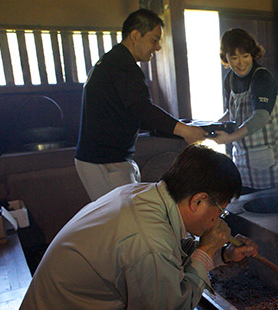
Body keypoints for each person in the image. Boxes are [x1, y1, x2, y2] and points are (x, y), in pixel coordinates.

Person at [16, 144, 259, 310]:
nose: (218, 220)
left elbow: (170, 254)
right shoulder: (147, 238)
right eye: (221, 210)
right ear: (198, 201)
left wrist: (223, 253)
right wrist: (207, 248)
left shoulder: (144, 196)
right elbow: (176, 308)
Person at [75, 8, 206, 201]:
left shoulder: (113, 61)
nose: (158, 47)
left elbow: (136, 115)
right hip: (103, 161)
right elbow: (142, 108)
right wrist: (185, 131)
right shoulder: (123, 66)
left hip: (105, 159)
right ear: (135, 36)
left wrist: (179, 127)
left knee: (126, 216)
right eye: (154, 40)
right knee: (124, 220)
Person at [209, 28, 278, 194]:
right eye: (234, 57)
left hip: (267, 162)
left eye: (245, 56)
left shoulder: (261, 77)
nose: (241, 63)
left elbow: (260, 117)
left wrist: (229, 137)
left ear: (252, 55)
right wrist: (209, 128)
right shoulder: (229, 79)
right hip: (242, 160)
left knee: (268, 210)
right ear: (226, 58)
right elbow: (232, 113)